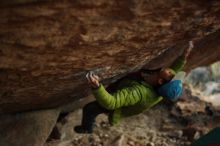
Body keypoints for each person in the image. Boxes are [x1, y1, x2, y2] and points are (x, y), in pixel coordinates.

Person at [74, 41, 194, 133]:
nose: (172, 71)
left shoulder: (137, 93)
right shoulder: (162, 86)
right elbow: (174, 69)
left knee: (90, 108)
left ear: (161, 80)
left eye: (171, 75)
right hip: (128, 89)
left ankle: (87, 129)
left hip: (116, 106)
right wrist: (185, 54)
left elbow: (111, 103)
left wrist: (97, 86)